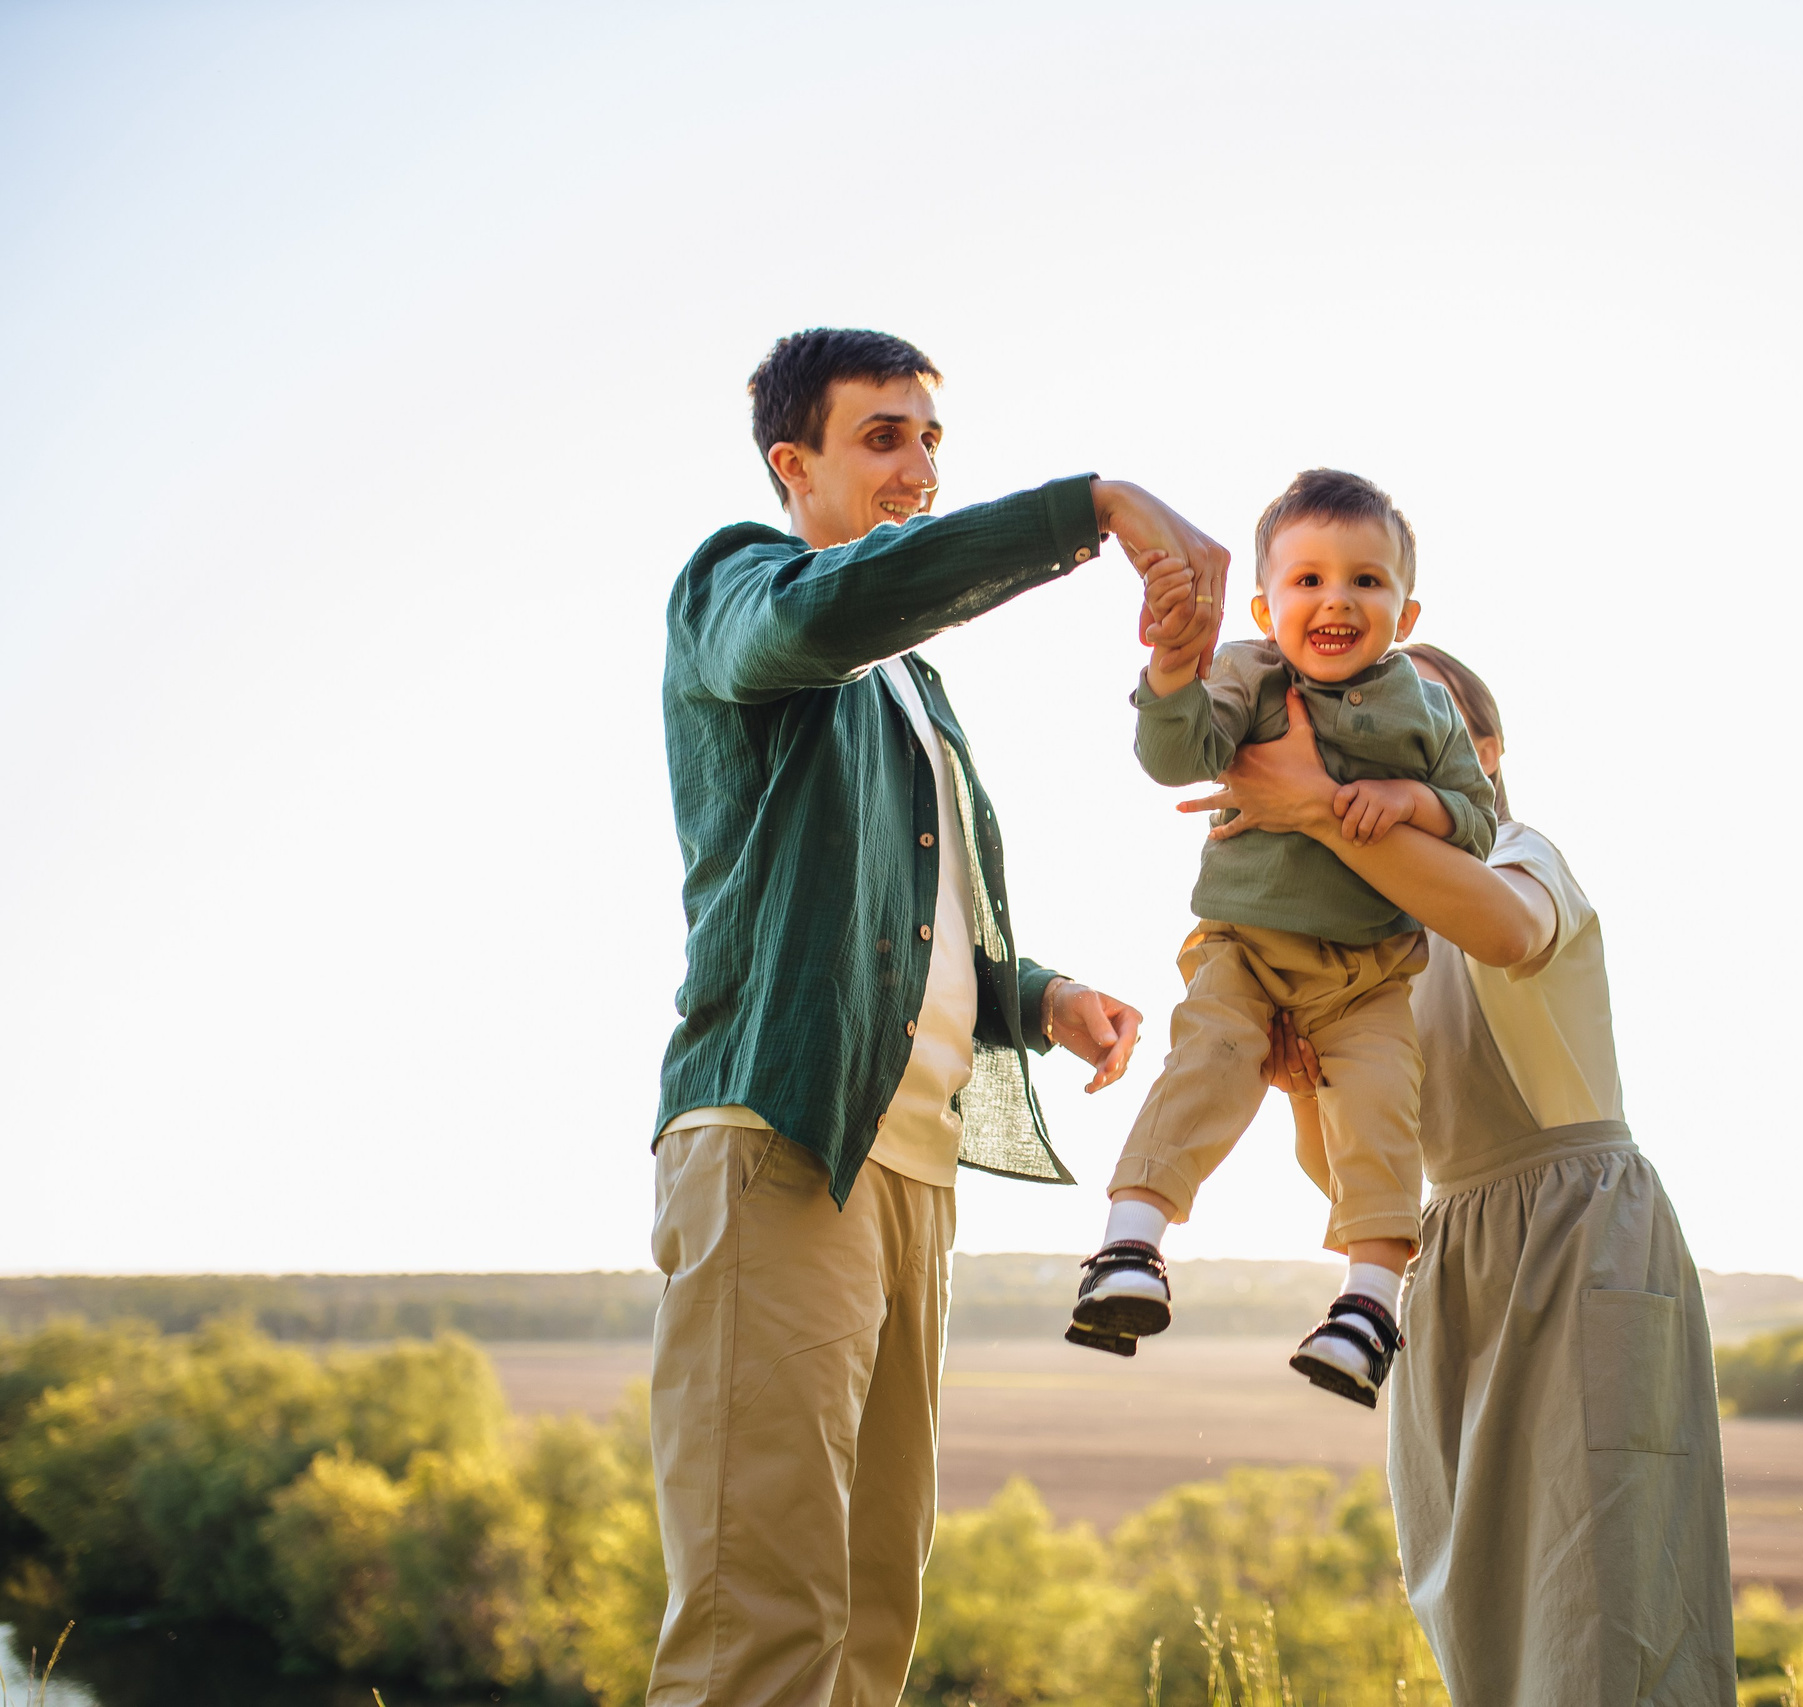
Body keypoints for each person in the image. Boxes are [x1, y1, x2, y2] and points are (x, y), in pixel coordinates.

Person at [649, 326, 1227, 1707]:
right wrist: (1089, 508)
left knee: (869, 1619)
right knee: (760, 1624)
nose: (916, 464)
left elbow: (910, 927)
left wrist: (1041, 996)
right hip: (780, 1138)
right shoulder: (743, 587)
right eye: (882, 436)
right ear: (795, 463)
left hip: (911, 1167)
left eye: (930, 438)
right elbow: (818, 616)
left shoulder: (914, 684)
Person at [1184, 644, 1738, 1706]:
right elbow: (1347, 1175)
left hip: (1578, 1237)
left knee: (1606, 1610)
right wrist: (1302, 1083)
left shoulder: (1525, 855)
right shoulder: (1360, 938)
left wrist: (1305, 810)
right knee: (1476, 1607)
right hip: (1447, 1258)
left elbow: (1507, 929)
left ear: (1479, 755)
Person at [1062, 471, 1496, 1408]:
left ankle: (1367, 1309)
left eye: (1366, 582)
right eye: (1309, 581)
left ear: (1405, 609)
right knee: (1209, 1061)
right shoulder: (1252, 676)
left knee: (1382, 1113)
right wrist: (1175, 669)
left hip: (1366, 978)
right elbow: (1179, 754)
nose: (1336, 598)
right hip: (1245, 951)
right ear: (1265, 604)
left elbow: (1477, 818)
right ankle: (1129, 1247)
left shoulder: (1426, 713)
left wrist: (1410, 799)